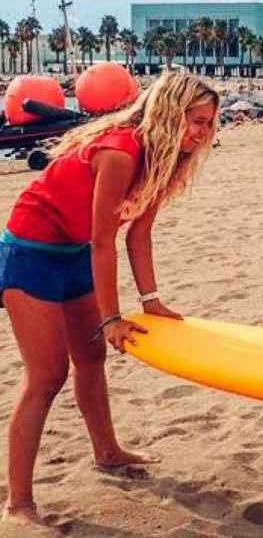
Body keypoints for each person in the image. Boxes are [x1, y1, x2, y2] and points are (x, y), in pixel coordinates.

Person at [0, 71, 219, 527]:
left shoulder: (166, 159)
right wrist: (113, 316)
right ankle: (18, 502)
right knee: (47, 376)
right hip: (31, 253)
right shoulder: (121, 151)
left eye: (207, 124)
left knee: (92, 357)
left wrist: (151, 299)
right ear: (168, 112)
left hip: (75, 252)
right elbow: (105, 241)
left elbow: (139, 234)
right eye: (194, 120)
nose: (199, 133)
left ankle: (107, 451)